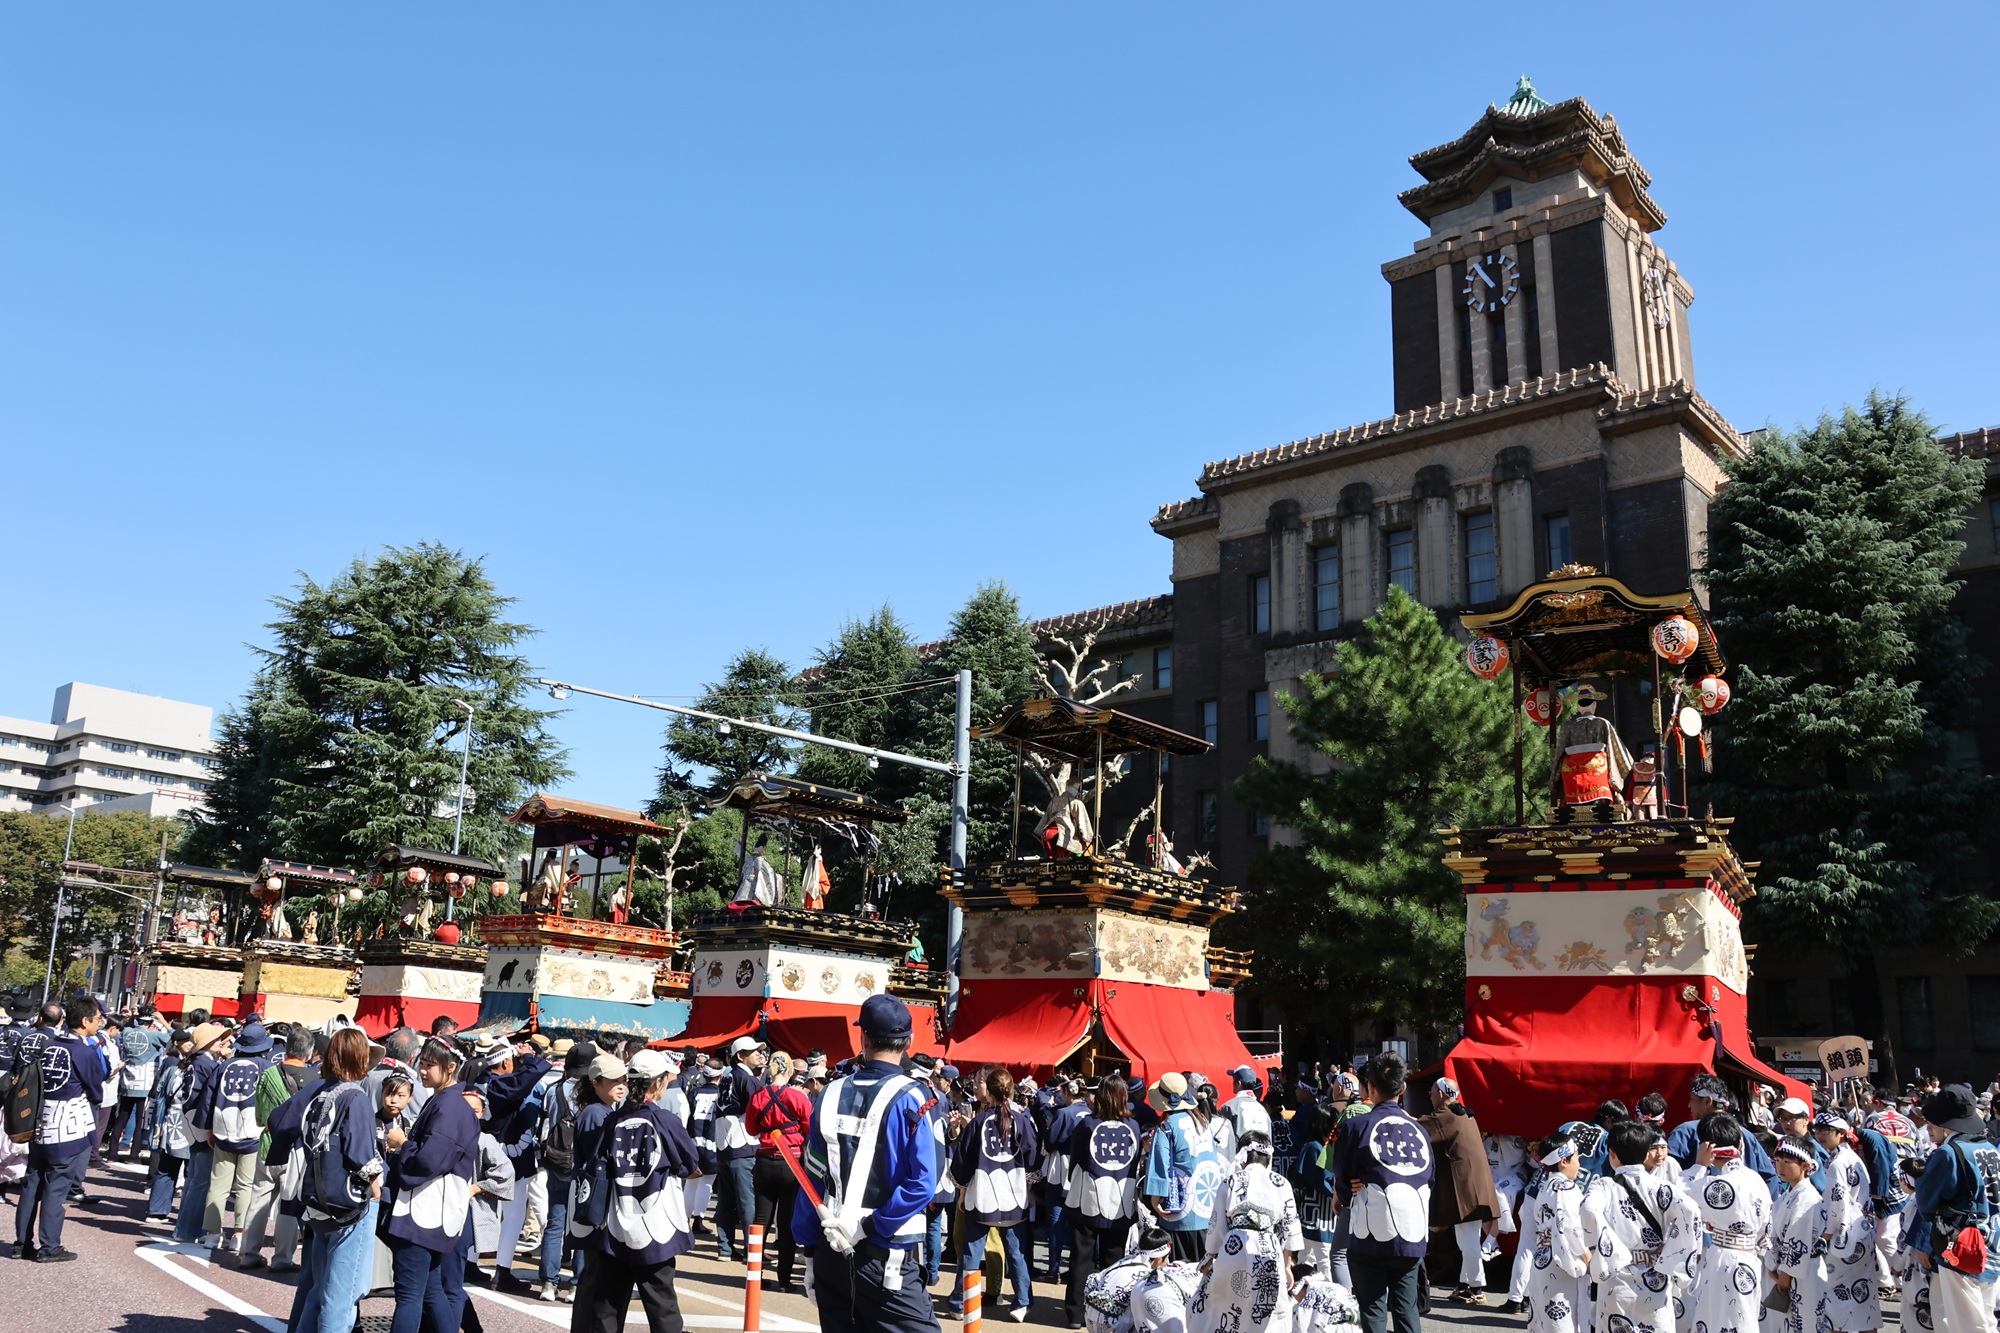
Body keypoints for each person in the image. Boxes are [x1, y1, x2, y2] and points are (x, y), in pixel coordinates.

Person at [792, 993, 940, 1333]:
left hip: (831, 1247)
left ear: (864, 1038)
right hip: (886, 1252)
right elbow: (922, 1182)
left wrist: (810, 1250)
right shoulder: (913, 1096)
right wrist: (871, 1226)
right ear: (909, 1040)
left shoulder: (829, 1093)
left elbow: (812, 1179)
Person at [575, 1048, 703, 1333]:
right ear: (656, 1083)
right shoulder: (664, 1121)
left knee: (607, 1307)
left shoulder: (612, 1121)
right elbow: (690, 1162)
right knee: (663, 1308)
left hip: (615, 1224)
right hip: (656, 1226)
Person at [285, 1027, 387, 1333]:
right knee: (341, 1297)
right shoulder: (355, 1099)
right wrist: (376, 1187)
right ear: (359, 1058)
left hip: (318, 1198)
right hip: (348, 1204)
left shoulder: (322, 1094)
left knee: (319, 1289)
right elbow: (361, 1155)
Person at [1327, 1052, 1432, 1333]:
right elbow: (1429, 1178)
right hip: (1412, 1231)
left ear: (1369, 1088)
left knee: (1372, 1310)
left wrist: (1353, 1190)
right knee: (1407, 1309)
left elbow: (1342, 1180)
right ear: (1403, 1088)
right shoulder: (1420, 1130)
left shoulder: (1355, 1126)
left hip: (1369, 1231)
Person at [382, 1038, 480, 1333]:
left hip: (424, 1210)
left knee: (410, 1294)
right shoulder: (450, 1102)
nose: (422, 1071)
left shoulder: (448, 1106)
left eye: (429, 1066)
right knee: (430, 1290)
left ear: (450, 1068)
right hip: (438, 1211)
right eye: (421, 1064)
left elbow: (428, 1160)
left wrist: (403, 1144)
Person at [9, 994, 106, 1261]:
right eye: (97, 1019)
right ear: (85, 1021)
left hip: (39, 1121)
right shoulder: (84, 1051)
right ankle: (49, 1246)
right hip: (67, 1126)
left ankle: (21, 1243)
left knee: (32, 1184)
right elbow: (96, 1090)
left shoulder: (48, 1044)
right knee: (56, 1186)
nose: (99, 1023)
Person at [1580, 1118, 1700, 1333]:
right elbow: (1691, 1211)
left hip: (1618, 1276)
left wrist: (1606, 1249)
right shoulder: (1662, 1187)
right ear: (1646, 1154)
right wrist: (1672, 1248)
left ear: (1612, 1154)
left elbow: (1588, 1210)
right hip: (1656, 1273)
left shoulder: (1604, 1186)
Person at [950, 1064, 1041, 1320]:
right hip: (1014, 1194)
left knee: (971, 1252)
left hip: (983, 1196)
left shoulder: (979, 1122)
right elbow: (1033, 1157)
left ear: (989, 1094)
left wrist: (962, 1190)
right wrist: (1030, 1188)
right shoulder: (1022, 1120)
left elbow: (962, 1162)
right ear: (1011, 1091)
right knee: (1017, 1252)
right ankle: (1022, 1302)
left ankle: (961, 1304)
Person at [1910, 1084, 2000, 1333]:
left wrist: (1917, 1181)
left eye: (1932, 1122)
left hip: (1962, 1244)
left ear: (1946, 1124)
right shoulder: (1991, 1150)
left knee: (1967, 1323)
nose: (1928, 1127)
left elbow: (1927, 1204)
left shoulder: (1948, 1153)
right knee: (1985, 1315)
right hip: (1992, 1241)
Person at [1201, 1130, 1305, 1333]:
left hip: (1235, 1247)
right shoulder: (1281, 1182)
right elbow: (1290, 1226)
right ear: (1269, 1158)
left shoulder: (1230, 1181)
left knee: (1230, 1306)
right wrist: (1287, 1264)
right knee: (1267, 1308)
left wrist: (1210, 1257)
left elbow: (1217, 1226)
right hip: (1269, 1248)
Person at [1063, 1074, 1142, 1329]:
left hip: (1089, 1195)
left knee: (1081, 1256)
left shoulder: (1088, 1124)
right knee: (1114, 1259)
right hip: (1120, 1198)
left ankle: (1075, 1314)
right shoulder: (1134, 1127)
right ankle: (1111, 1312)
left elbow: (1076, 1159)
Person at [1681, 1112, 1772, 1333]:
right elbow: (1765, 1225)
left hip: (1723, 1258)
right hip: (1751, 1257)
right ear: (1740, 1143)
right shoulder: (1755, 1178)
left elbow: (1679, 1197)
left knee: (1716, 1321)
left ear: (1706, 1147)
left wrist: (1699, 1166)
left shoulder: (1713, 1184)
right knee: (1744, 1322)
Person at [237, 1023, 317, 1271]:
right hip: (296, 1149)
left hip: (268, 1145)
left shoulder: (268, 1074)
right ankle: (282, 1258)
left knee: (259, 1199)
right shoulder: (315, 1080)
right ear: (309, 1052)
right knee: (289, 1203)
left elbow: (260, 1117)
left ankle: (249, 1252)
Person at [1417, 1075, 1500, 1304]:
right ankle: (1466, 1284)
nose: (1430, 1095)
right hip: (1475, 1183)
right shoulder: (1463, 1113)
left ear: (1442, 1094)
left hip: (1464, 1186)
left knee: (1467, 1241)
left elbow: (1415, 1127)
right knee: (1469, 1238)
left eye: (1432, 1091)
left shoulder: (1444, 1115)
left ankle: (1476, 1287)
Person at [202, 1020, 276, 1250]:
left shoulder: (224, 1066)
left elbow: (208, 1097)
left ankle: (213, 1233)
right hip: (252, 1132)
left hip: (224, 1126)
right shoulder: (266, 1068)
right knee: (246, 1185)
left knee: (218, 1183)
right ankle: (239, 1234)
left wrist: (208, 1128)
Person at [745, 1050, 814, 1293]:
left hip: (764, 1159)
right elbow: (809, 1128)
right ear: (790, 1070)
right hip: (791, 1162)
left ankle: (754, 1274)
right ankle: (784, 1280)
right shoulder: (798, 1098)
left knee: (760, 1220)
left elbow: (752, 1129)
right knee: (786, 1223)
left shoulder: (758, 1097)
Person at [1809, 1112, 1883, 1333]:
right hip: (1862, 1231)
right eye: (1818, 1130)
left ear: (1841, 1133)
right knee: (1864, 1294)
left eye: (1827, 1131)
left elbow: (1837, 1202)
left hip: (1845, 1234)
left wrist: (1828, 1234)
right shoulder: (1852, 1157)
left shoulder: (1837, 1163)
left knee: (1835, 1295)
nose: (1821, 1135)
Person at [1141, 1072, 1226, 1263]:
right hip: (1207, 1205)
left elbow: (1159, 1165)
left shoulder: (1167, 1126)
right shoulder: (1203, 1122)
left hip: (1178, 1206)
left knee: (1181, 1267)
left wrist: (1155, 1200)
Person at [1521, 1130, 1589, 1333]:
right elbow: (1569, 1226)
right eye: (1576, 1158)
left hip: (1542, 1257)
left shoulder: (1545, 1185)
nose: (1579, 1163)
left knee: (1545, 1321)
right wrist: (1586, 1256)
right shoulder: (1566, 1188)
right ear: (1563, 1162)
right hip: (1561, 1260)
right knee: (1563, 1321)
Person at [174, 1022, 230, 1243]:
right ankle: (188, 1230)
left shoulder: (196, 1062)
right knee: (201, 1180)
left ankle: (184, 1228)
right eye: (218, 1039)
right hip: (202, 1122)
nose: (223, 1042)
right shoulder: (206, 1064)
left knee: (194, 1177)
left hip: (191, 1121)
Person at [714, 1035, 768, 1263]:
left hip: (724, 1143)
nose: (759, 1053)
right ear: (740, 1056)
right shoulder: (748, 1080)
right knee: (747, 1201)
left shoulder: (726, 1077)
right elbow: (762, 1111)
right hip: (743, 1143)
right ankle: (751, 1251)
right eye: (753, 1051)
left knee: (726, 1200)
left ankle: (725, 1248)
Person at [1767, 1136, 1828, 1333]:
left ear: (1804, 1165)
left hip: (1804, 1270)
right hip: (1789, 1268)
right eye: (1778, 1161)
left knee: (1806, 1324)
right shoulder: (1788, 1195)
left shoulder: (1807, 1197)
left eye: (1787, 1162)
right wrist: (1773, 1264)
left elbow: (1799, 1238)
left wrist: (1785, 1273)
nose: (1781, 1167)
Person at [1668, 1075, 1777, 1184]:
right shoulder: (1746, 1134)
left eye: (1692, 1099)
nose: (1689, 1105)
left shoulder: (1686, 1132)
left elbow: (1667, 1171)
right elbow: (1769, 1177)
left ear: (1707, 1101)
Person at [144, 1027, 198, 1224]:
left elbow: (161, 1096)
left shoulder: (172, 1071)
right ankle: (187, 1216)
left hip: (170, 1121)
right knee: (192, 1172)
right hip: (193, 1125)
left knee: (166, 1168)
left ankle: (157, 1210)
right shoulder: (202, 1071)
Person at [1040, 1076, 1088, 1285]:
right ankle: (1080, 1269)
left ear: (1069, 1092)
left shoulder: (1064, 1113)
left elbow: (1051, 1141)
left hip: (1061, 1168)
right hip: (1085, 1169)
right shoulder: (1092, 1112)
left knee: (1056, 1221)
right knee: (1082, 1223)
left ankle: (1054, 1268)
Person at [1223, 1066, 1274, 1143]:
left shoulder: (1229, 1107)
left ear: (1239, 1083)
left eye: (1234, 1080)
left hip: (1240, 1153)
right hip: (1263, 1153)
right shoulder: (1263, 1109)